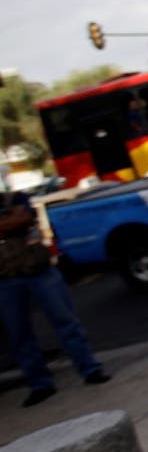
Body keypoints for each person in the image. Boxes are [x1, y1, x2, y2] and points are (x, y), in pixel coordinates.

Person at [0, 164, 110, 407]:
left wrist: (9, 223)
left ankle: (89, 369)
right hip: (7, 279)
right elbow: (15, 221)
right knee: (19, 334)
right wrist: (11, 222)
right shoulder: (13, 204)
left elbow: (25, 217)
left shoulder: (15, 198)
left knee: (66, 322)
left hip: (38, 271)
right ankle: (39, 384)